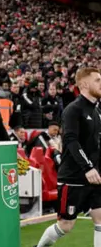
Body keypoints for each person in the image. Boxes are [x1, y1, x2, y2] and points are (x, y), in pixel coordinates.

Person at [35, 67, 101, 247]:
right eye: (98, 80)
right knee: (65, 225)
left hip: (94, 178)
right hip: (73, 178)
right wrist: (87, 167)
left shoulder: (96, 112)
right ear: (85, 84)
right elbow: (70, 140)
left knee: (100, 220)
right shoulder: (73, 110)